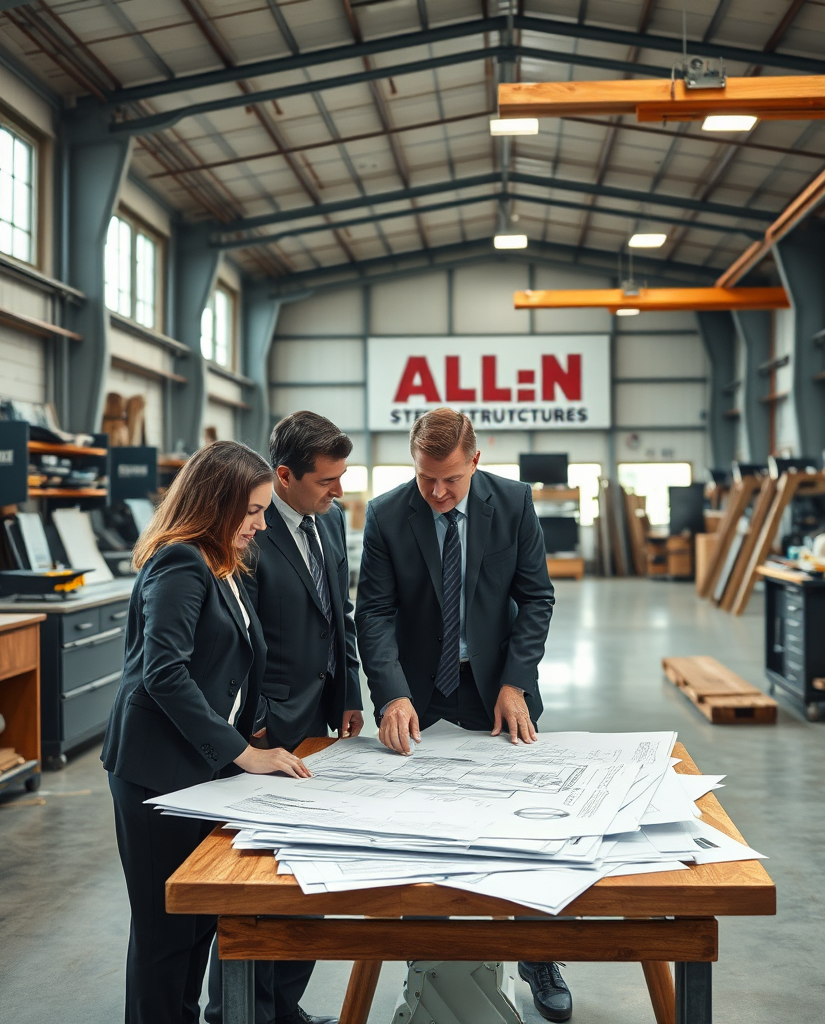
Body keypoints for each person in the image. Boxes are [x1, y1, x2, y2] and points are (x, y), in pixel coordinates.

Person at [355, 408, 572, 1023]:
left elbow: (536, 597)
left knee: (523, 831)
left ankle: (537, 954)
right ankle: (428, 959)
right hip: (418, 698)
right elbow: (373, 612)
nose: (437, 492)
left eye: (450, 478)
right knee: (420, 832)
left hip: (497, 692)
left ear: (476, 460)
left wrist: (515, 682)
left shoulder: (514, 503)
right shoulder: (388, 514)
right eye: (425, 477)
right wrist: (391, 694)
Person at [102, 440, 311, 1024]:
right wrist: (243, 753)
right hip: (156, 771)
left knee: (196, 922)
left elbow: (229, 663)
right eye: (252, 511)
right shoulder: (180, 562)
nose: (260, 524)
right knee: (165, 932)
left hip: (199, 768)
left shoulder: (222, 562)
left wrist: (256, 731)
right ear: (215, 505)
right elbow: (163, 674)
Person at [205, 411, 363, 1024]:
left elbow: (338, 613)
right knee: (257, 877)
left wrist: (349, 692)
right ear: (285, 475)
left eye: (341, 477)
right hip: (268, 728)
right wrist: (259, 721)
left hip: (320, 719)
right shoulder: (248, 532)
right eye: (327, 480)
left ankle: (283, 1008)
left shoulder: (331, 521)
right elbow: (238, 632)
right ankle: (236, 1009)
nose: (339, 491)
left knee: (311, 872)